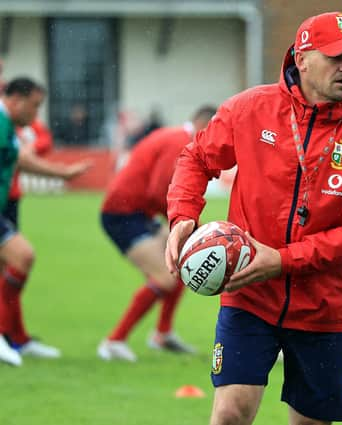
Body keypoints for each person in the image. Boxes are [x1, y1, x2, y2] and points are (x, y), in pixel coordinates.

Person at [165, 11, 342, 425]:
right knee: (230, 414)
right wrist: (183, 216)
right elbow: (197, 158)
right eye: (336, 57)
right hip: (249, 297)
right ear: (302, 57)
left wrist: (282, 260)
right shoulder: (250, 109)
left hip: (326, 306)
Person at [97, 105, 217, 362]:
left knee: (185, 256)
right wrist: (188, 224)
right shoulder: (179, 142)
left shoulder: (176, 137)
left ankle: (162, 333)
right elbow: (158, 191)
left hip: (139, 213)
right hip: (123, 214)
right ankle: (113, 341)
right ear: (204, 125)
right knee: (164, 278)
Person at [0, 77, 91, 366]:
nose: (36, 115)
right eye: (35, 106)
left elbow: (18, 160)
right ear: (15, 100)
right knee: (22, 256)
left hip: (6, 207)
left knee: (9, 267)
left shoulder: (9, 127)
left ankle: (16, 338)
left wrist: (61, 174)